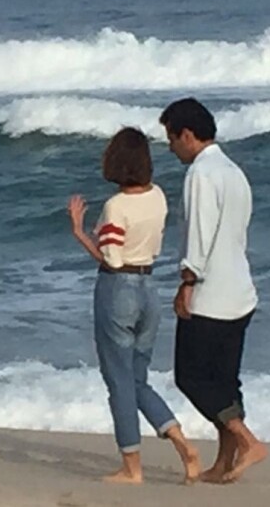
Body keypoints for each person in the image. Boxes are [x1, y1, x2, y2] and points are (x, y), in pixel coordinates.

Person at [68, 127, 200, 485]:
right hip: (149, 287)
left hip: (118, 290)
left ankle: (132, 466)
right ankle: (182, 443)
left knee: (119, 382)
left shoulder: (116, 205)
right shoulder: (157, 196)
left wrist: (80, 232)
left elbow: (110, 257)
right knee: (137, 379)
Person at [159, 98, 267, 483]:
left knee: (191, 377)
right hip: (240, 290)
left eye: (171, 139)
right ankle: (224, 462)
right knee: (224, 381)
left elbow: (199, 235)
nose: (171, 148)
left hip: (212, 294)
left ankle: (247, 440)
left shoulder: (201, 173)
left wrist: (187, 283)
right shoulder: (233, 170)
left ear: (187, 134)